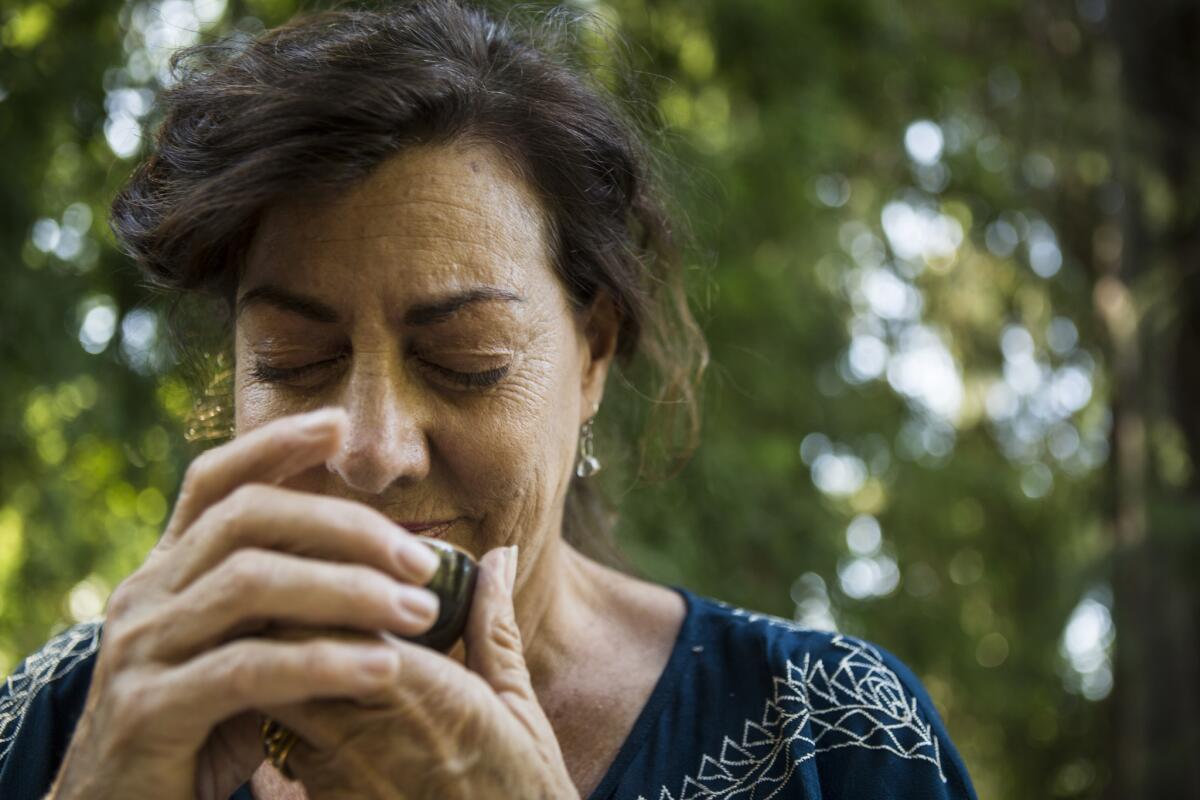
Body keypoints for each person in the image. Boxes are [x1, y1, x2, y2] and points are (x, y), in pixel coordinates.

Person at [0, 1, 978, 798]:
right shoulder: (75, 716)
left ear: (592, 356)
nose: (374, 448)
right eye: (295, 359)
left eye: (465, 360)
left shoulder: (834, 740)